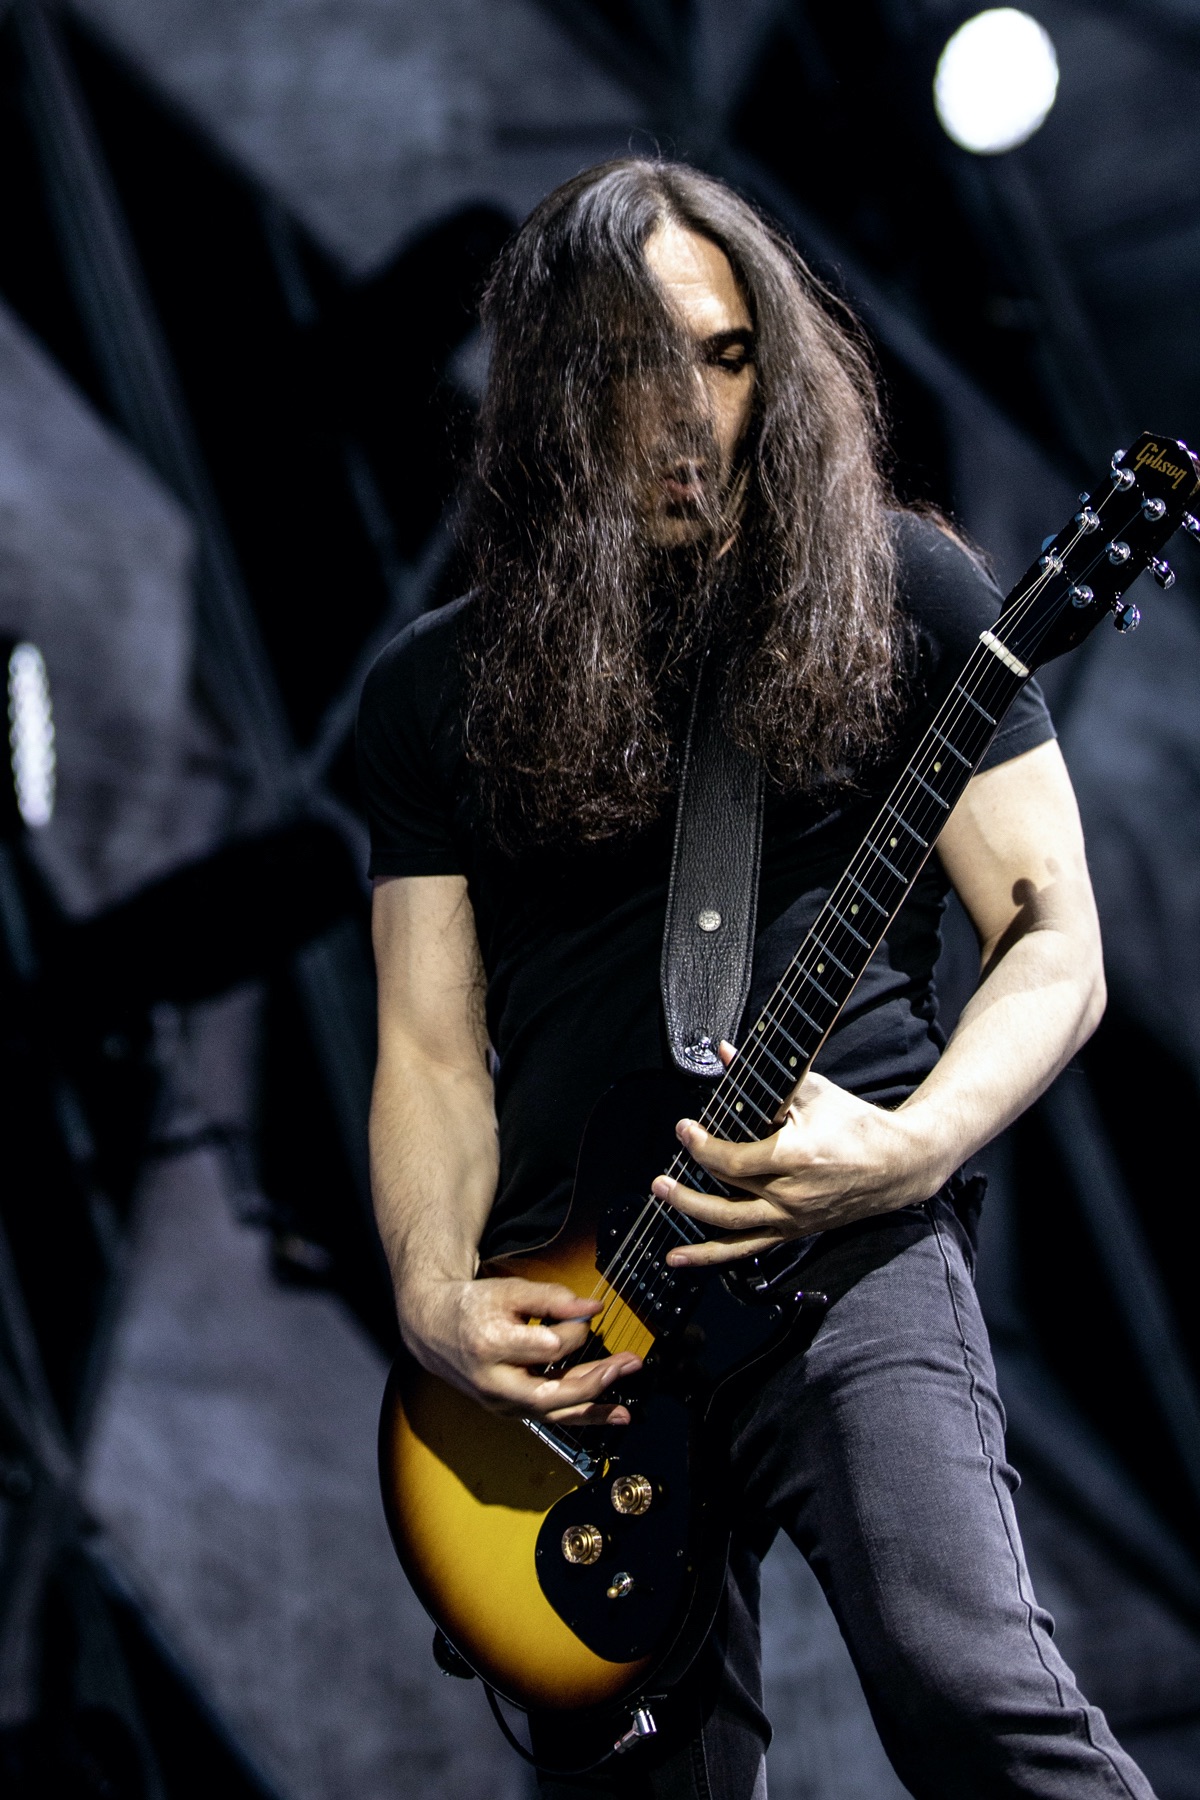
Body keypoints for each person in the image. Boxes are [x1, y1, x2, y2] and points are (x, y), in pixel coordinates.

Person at [357, 160, 1155, 1799]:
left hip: (843, 1244)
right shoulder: (434, 688)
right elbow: (429, 1051)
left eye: (726, 359)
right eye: (637, 366)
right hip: (576, 1321)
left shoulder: (903, 590)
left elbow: (1054, 938)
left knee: (966, 1686)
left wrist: (914, 1143)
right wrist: (435, 1295)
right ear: (551, 387)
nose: (689, 419)